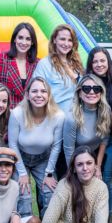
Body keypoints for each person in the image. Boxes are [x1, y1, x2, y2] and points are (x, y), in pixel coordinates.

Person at [8, 77, 64, 223]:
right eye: (35, 91)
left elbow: (56, 146)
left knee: (49, 194)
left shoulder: (57, 116)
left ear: (48, 95)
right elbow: (12, 144)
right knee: (23, 196)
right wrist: (22, 172)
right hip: (20, 157)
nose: (39, 95)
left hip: (44, 158)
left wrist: (49, 173)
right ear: (28, 95)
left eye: (43, 91)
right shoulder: (17, 113)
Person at [32, 24, 82, 177]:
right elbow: (36, 93)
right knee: (58, 172)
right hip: (55, 125)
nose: (66, 43)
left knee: (75, 167)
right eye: (62, 39)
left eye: (70, 40)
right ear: (54, 40)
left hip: (76, 124)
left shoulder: (77, 64)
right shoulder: (45, 65)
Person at [86, 47, 112, 218]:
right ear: (91, 64)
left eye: (102, 60)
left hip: (111, 141)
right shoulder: (86, 84)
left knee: (106, 181)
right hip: (88, 140)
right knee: (87, 181)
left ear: (108, 62)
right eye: (95, 61)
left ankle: (106, 221)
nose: (99, 64)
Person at [62, 74, 111, 170]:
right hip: (71, 161)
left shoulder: (105, 112)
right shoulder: (72, 118)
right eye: (86, 89)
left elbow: (104, 140)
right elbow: (69, 150)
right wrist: (73, 173)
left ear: (101, 92)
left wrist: (98, 166)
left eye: (96, 89)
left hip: (93, 158)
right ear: (79, 93)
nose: (92, 92)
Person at [0, 22, 38, 109]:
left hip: (30, 115)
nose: (24, 42)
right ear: (14, 39)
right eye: (20, 38)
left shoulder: (38, 63)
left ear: (32, 42)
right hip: (5, 114)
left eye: (28, 39)